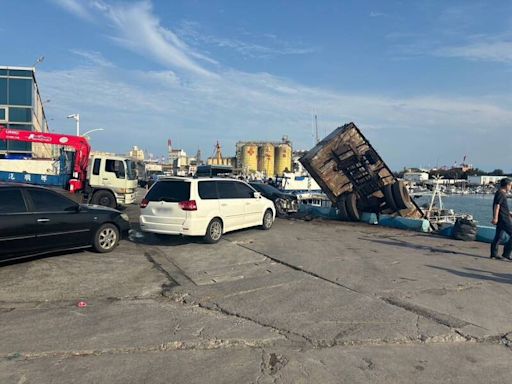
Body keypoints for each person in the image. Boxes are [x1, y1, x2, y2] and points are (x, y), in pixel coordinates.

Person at [490, 178, 512, 260]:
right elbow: (497, 205)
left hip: (503, 217)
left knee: (499, 236)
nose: (511, 187)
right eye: (511, 185)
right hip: (503, 219)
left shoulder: (500, 193)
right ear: (507, 185)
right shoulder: (501, 193)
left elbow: (502, 207)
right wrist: (495, 218)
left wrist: (509, 213)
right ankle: (506, 253)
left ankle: (494, 254)